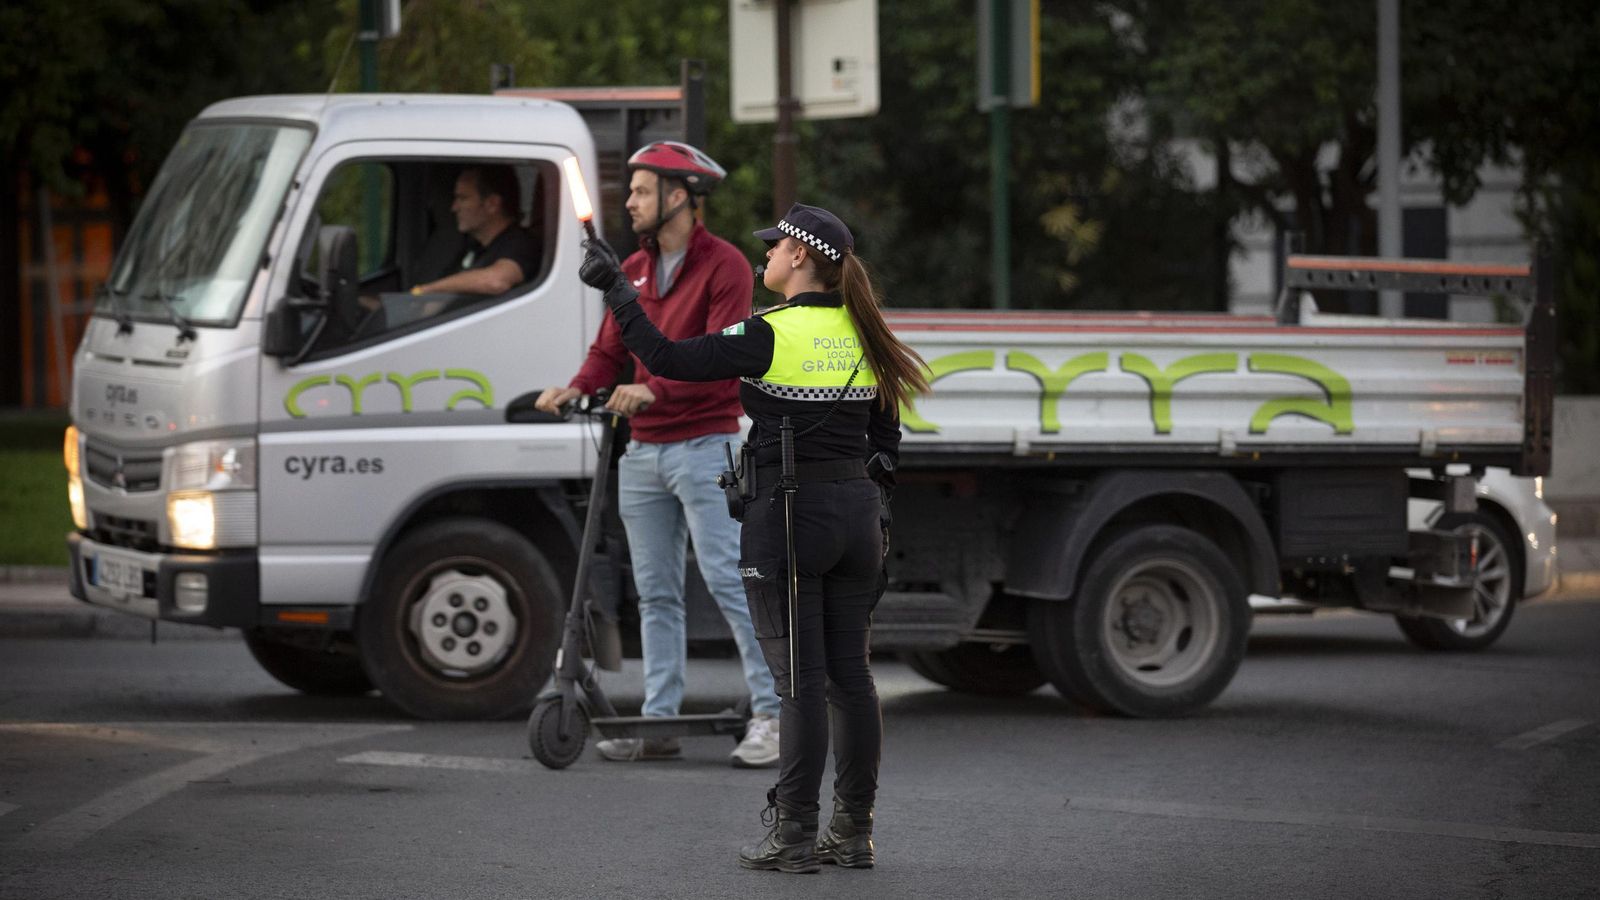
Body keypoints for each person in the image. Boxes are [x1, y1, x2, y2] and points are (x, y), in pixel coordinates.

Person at [576, 202, 929, 873]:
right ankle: (853, 830)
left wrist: (618, 291)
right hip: (858, 517)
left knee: (798, 681)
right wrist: (867, 506)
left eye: (772, 248)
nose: (763, 256)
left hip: (788, 517)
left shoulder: (769, 332)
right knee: (851, 677)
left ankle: (793, 832)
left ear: (799, 257)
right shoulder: (867, 333)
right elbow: (887, 443)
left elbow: (665, 359)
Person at [534, 141, 784, 768]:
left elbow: (726, 362)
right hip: (643, 450)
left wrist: (655, 387)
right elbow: (608, 349)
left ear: (680, 196)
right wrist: (579, 386)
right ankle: (659, 720)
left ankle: (774, 715)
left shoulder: (725, 265)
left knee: (734, 581)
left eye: (643, 191)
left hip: (708, 445)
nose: (632, 203)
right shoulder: (635, 271)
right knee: (655, 594)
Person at [410, 165, 538, 300]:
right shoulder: (474, 247)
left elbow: (497, 281)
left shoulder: (522, 244)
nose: (454, 208)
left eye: (463, 198)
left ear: (492, 204)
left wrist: (428, 290)